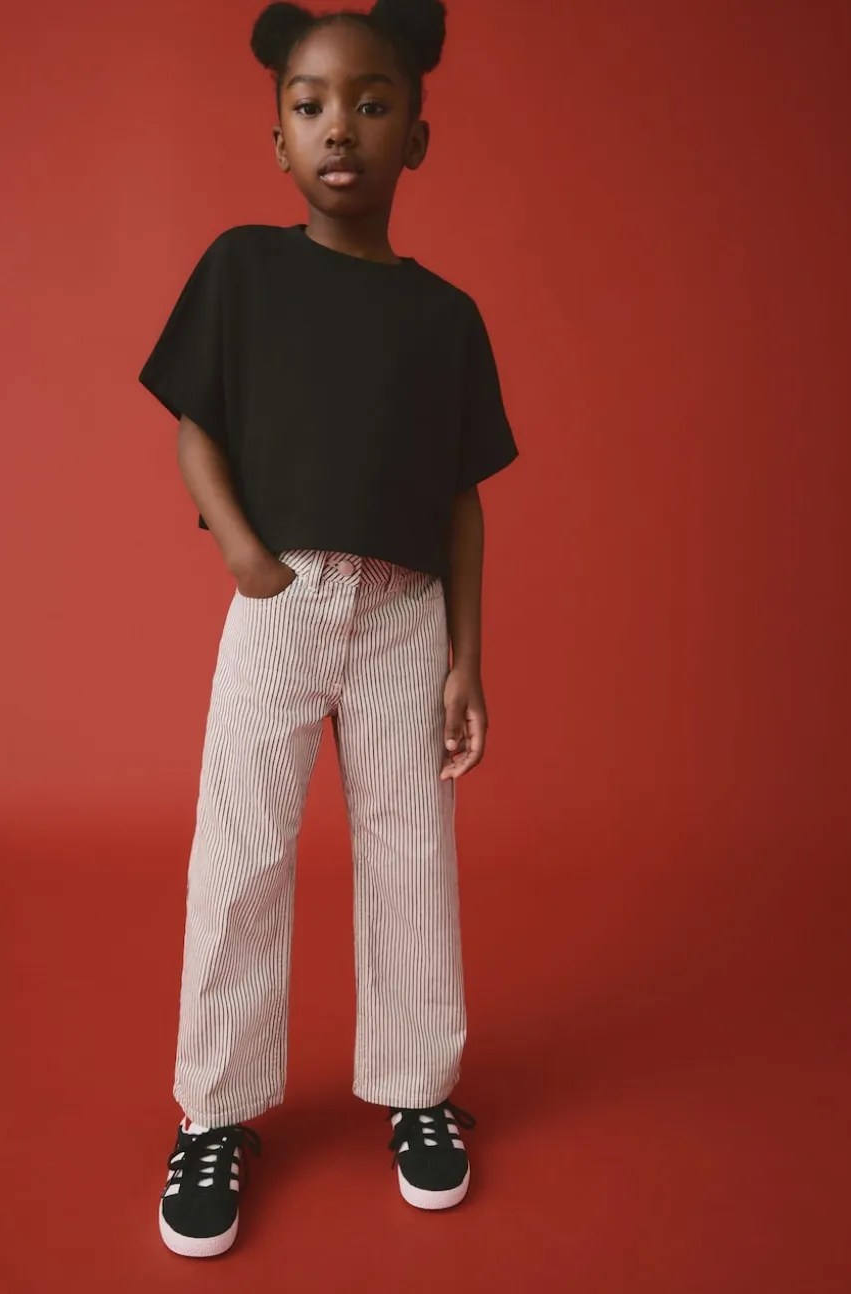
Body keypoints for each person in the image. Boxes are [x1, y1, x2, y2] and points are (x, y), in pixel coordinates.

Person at [137, 0, 518, 1258]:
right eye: (309, 107)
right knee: (241, 851)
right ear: (278, 140)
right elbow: (194, 423)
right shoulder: (242, 269)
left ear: (418, 137)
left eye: (370, 103)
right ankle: (214, 1112)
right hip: (281, 601)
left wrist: (466, 659)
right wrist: (244, 554)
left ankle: (418, 1089)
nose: (338, 127)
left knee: (409, 852)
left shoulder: (445, 317)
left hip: (408, 614)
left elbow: (460, 498)